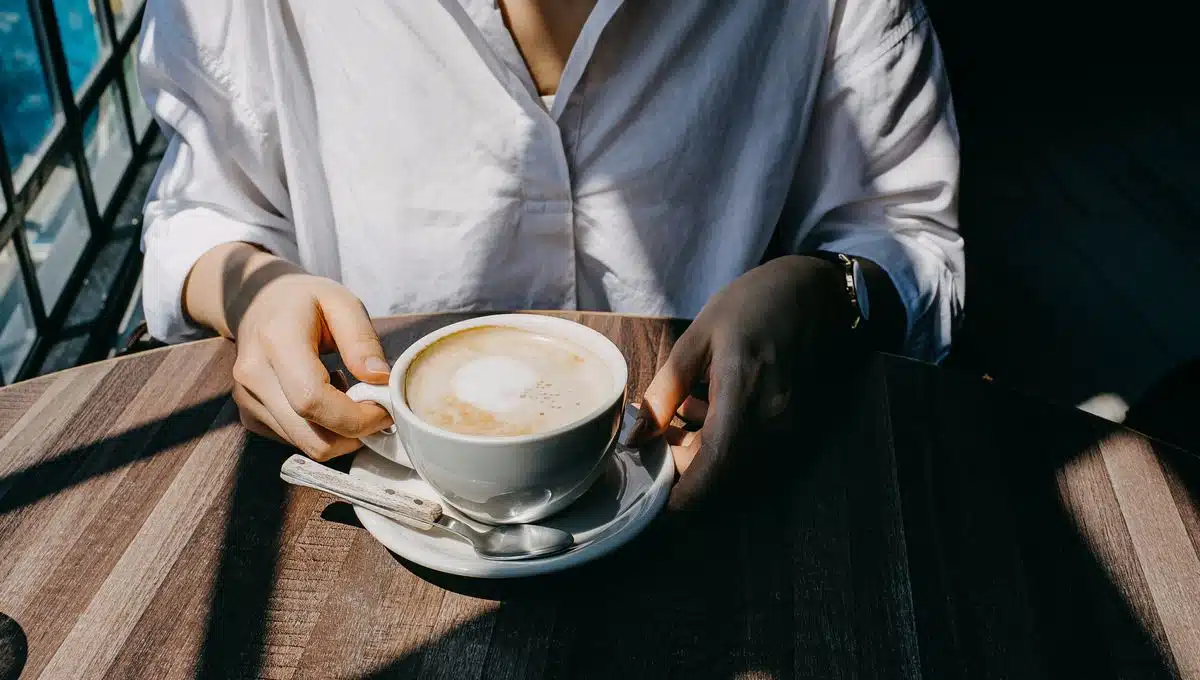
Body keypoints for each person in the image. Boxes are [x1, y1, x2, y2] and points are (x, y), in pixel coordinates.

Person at [137, 0, 963, 511]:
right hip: (376, 521)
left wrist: (829, 292)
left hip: (727, 500)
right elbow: (203, 208)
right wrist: (255, 294)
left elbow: (906, 230)